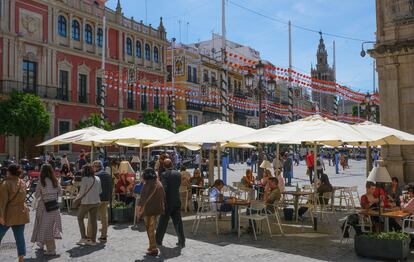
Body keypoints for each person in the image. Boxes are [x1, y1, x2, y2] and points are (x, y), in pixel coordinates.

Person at [0, 164, 30, 262]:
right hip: (21, 212)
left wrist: (1, 216)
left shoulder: (5, 184)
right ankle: (21, 258)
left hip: (9, 213)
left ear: (9, 172)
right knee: (19, 236)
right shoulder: (22, 182)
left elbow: (2, 202)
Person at [31, 164, 62, 256]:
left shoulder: (42, 181)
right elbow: (60, 192)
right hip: (54, 207)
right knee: (49, 226)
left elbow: (36, 195)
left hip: (44, 207)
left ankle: (51, 249)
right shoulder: (55, 180)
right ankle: (42, 244)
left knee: (45, 227)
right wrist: (54, 198)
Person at [155, 159, 185, 247]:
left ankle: (158, 240)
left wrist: (161, 201)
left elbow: (164, 188)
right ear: (172, 164)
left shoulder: (164, 175)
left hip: (167, 202)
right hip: (176, 200)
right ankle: (182, 240)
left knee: (163, 222)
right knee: (178, 222)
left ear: (164, 166)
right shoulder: (178, 174)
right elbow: (178, 185)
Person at [137, 168, 165, 256]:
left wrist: (138, 210)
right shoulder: (159, 183)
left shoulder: (147, 184)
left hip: (149, 210)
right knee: (151, 228)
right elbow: (164, 196)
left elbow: (142, 199)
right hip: (157, 209)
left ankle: (153, 248)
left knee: (150, 229)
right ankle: (151, 246)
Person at [76, 164, 101, 246]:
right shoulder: (97, 178)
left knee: (80, 218)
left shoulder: (84, 179)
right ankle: (93, 240)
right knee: (94, 221)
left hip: (86, 202)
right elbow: (100, 191)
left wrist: (76, 199)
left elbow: (81, 192)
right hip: (96, 201)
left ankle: (84, 237)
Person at [87, 160, 112, 242]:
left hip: (97, 199)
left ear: (95, 167)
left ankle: (89, 237)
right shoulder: (108, 175)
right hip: (106, 199)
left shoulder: (95, 176)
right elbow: (111, 188)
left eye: (93, 167)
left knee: (91, 219)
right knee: (104, 218)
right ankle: (104, 235)